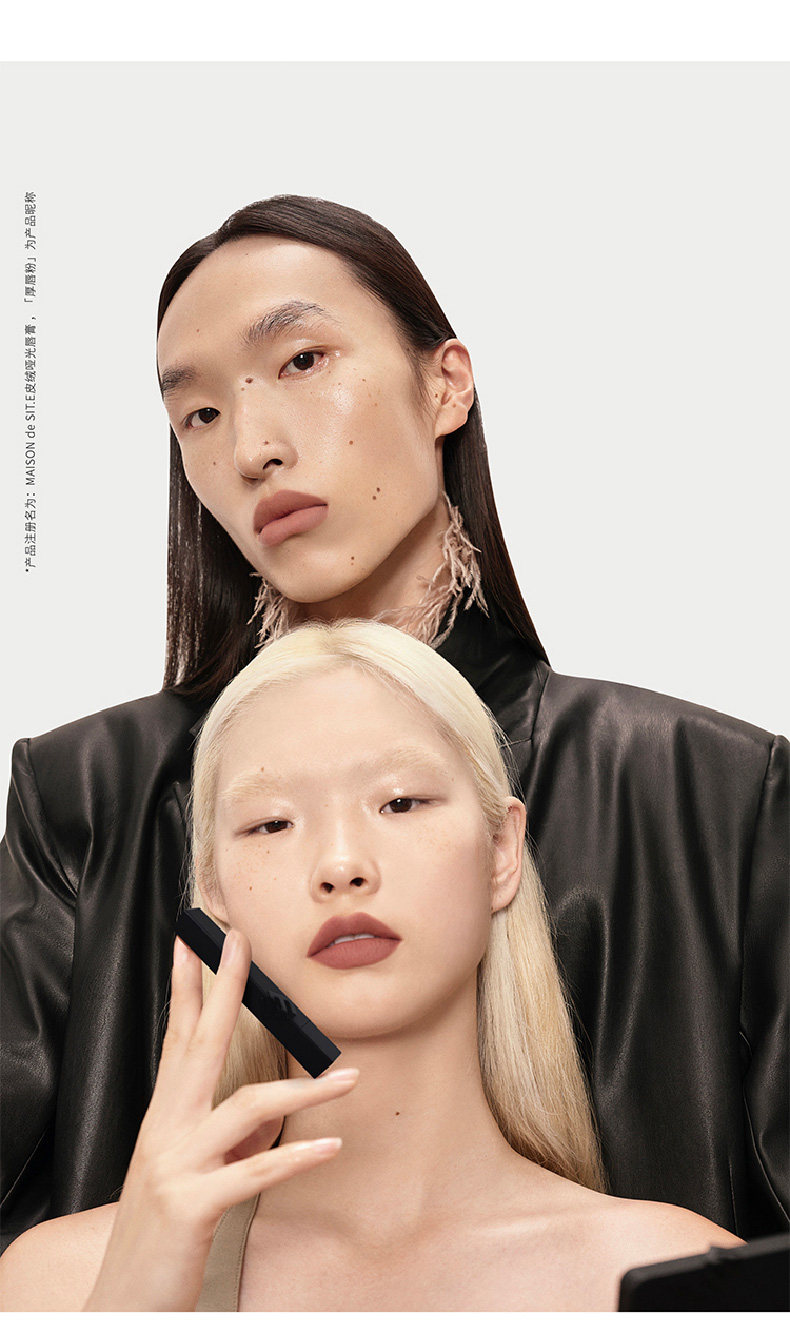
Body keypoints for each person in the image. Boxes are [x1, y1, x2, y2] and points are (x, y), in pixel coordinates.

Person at [0, 196, 786, 1256]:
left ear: (445, 383)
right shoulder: (87, 796)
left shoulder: (711, 793)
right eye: (199, 415)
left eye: (302, 361)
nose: (253, 448)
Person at [0, 621, 745, 1311]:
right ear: (215, 896)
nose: (341, 864)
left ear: (501, 851)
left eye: (401, 802)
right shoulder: (60, 1282)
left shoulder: (674, 1275)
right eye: (271, 822)